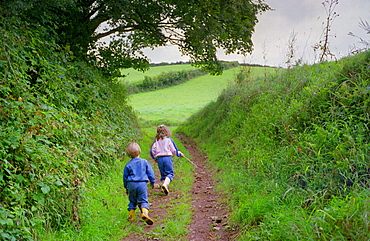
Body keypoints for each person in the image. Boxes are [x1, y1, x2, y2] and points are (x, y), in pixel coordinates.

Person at [123, 142, 156, 225]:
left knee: (132, 200)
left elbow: (125, 177)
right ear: (139, 151)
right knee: (143, 200)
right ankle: (144, 212)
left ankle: (131, 215)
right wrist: (152, 182)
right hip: (142, 184)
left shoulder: (128, 164)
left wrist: (126, 188)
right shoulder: (144, 162)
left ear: (128, 154)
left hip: (131, 184)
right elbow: (150, 173)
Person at [150, 125, 184, 195]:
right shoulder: (169, 140)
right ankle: (165, 185)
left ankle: (163, 187)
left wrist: (155, 158)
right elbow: (174, 150)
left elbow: (152, 151)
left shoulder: (156, 141)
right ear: (167, 132)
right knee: (170, 174)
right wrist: (179, 154)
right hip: (167, 158)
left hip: (160, 159)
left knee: (163, 174)